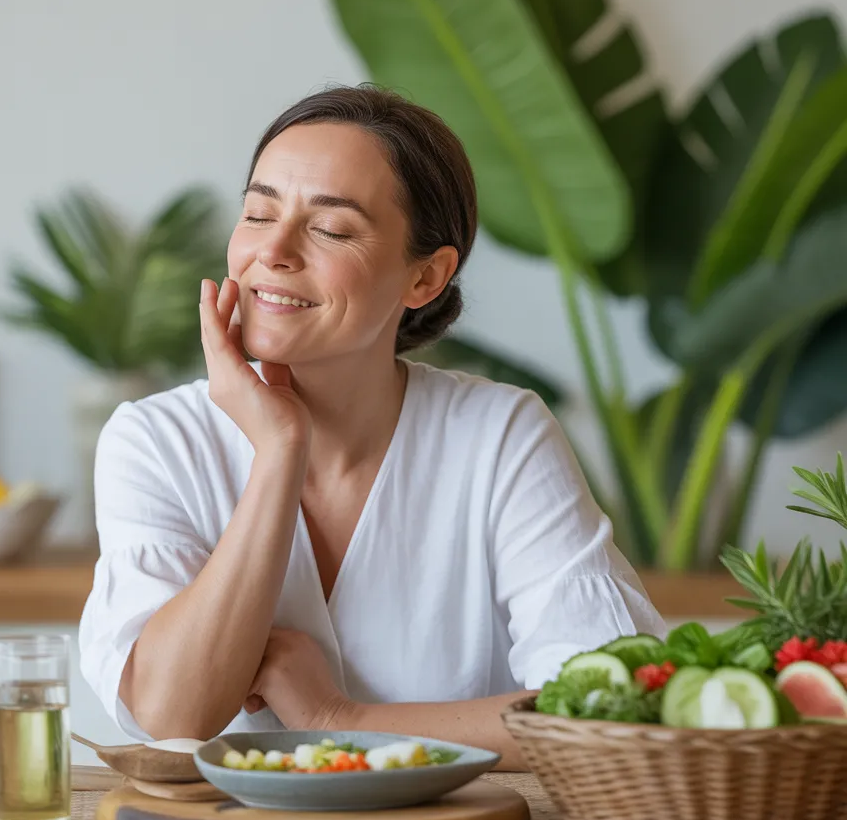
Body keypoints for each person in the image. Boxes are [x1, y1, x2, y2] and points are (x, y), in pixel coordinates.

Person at [79, 85, 665, 769]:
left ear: (426, 277)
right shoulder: (154, 440)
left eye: (330, 229)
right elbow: (176, 717)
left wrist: (342, 719)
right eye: (258, 212)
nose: (273, 251)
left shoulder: (499, 436)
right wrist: (279, 452)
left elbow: (611, 711)